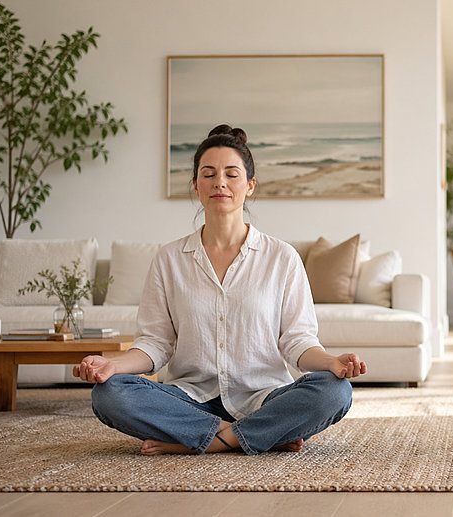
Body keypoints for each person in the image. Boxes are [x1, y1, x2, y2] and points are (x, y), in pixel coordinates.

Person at [73, 124, 367, 456]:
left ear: (250, 185)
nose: (220, 183)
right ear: (196, 186)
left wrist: (331, 362)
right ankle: (260, 436)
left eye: (231, 174)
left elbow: (297, 341)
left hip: (264, 397)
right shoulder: (169, 259)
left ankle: (199, 441)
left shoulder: (281, 257)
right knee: (109, 394)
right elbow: (155, 344)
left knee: (334, 392)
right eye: (209, 174)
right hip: (188, 399)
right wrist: (113, 365)